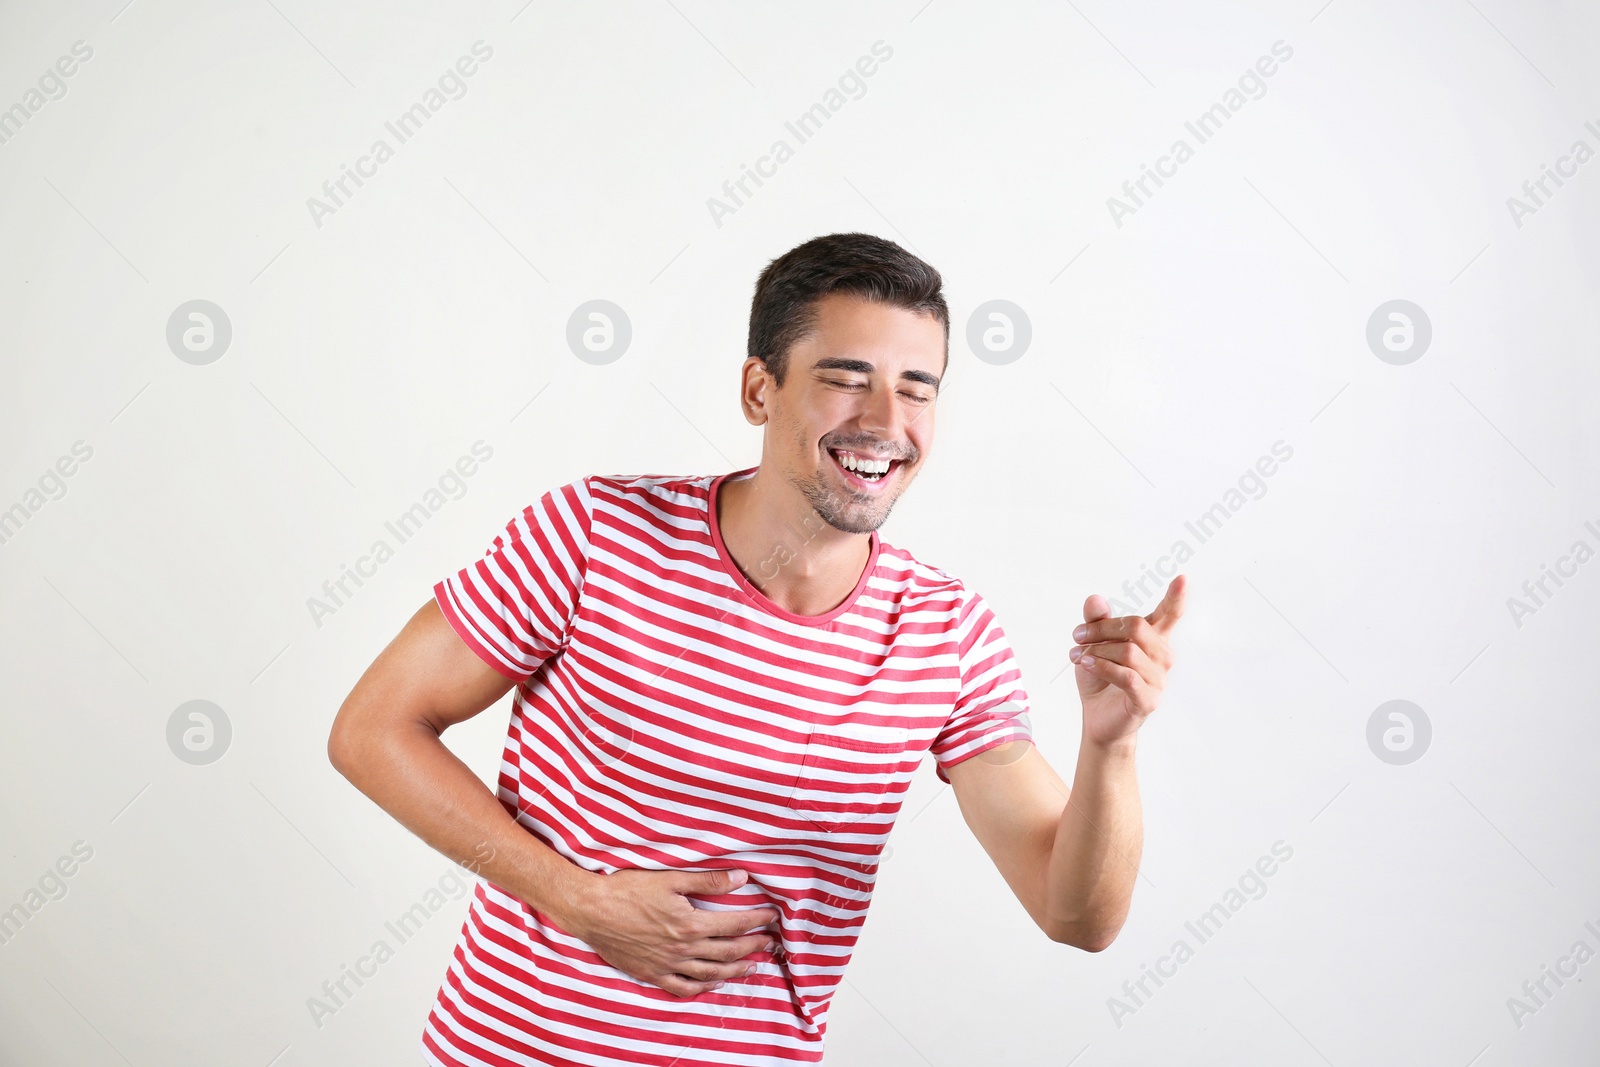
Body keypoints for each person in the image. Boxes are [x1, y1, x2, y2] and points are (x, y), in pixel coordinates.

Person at [328, 232, 1186, 1066]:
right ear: (758, 389)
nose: (886, 420)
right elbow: (373, 730)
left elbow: (1076, 918)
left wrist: (1111, 745)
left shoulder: (946, 633)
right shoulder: (595, 535)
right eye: (847, 379)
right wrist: (577, 900)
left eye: (917, 389)